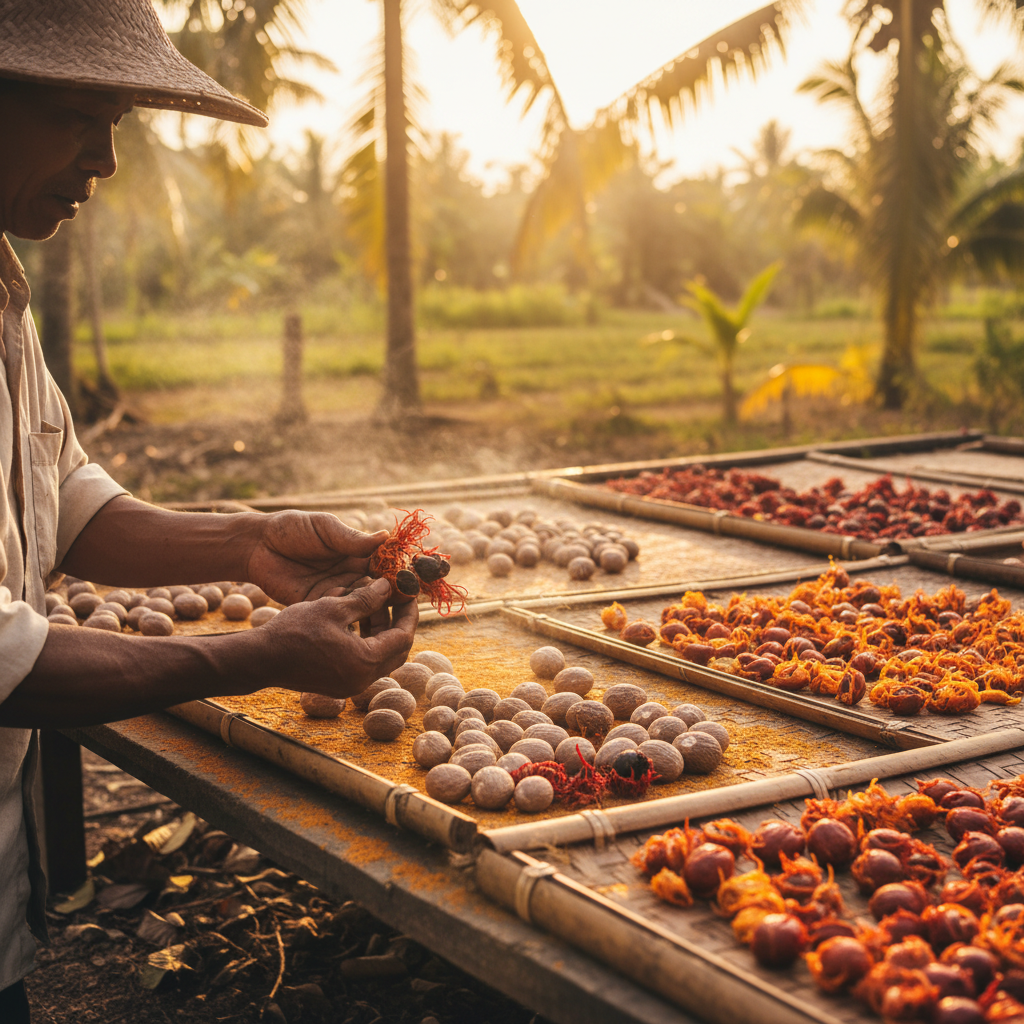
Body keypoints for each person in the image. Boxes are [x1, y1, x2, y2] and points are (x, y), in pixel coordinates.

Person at [0, 2, 418, 1019]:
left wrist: (246, 540)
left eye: (119, 123)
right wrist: (257, 655)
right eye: (72, 113)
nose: (104, 160)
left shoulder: (2, 300)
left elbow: (69, 502)